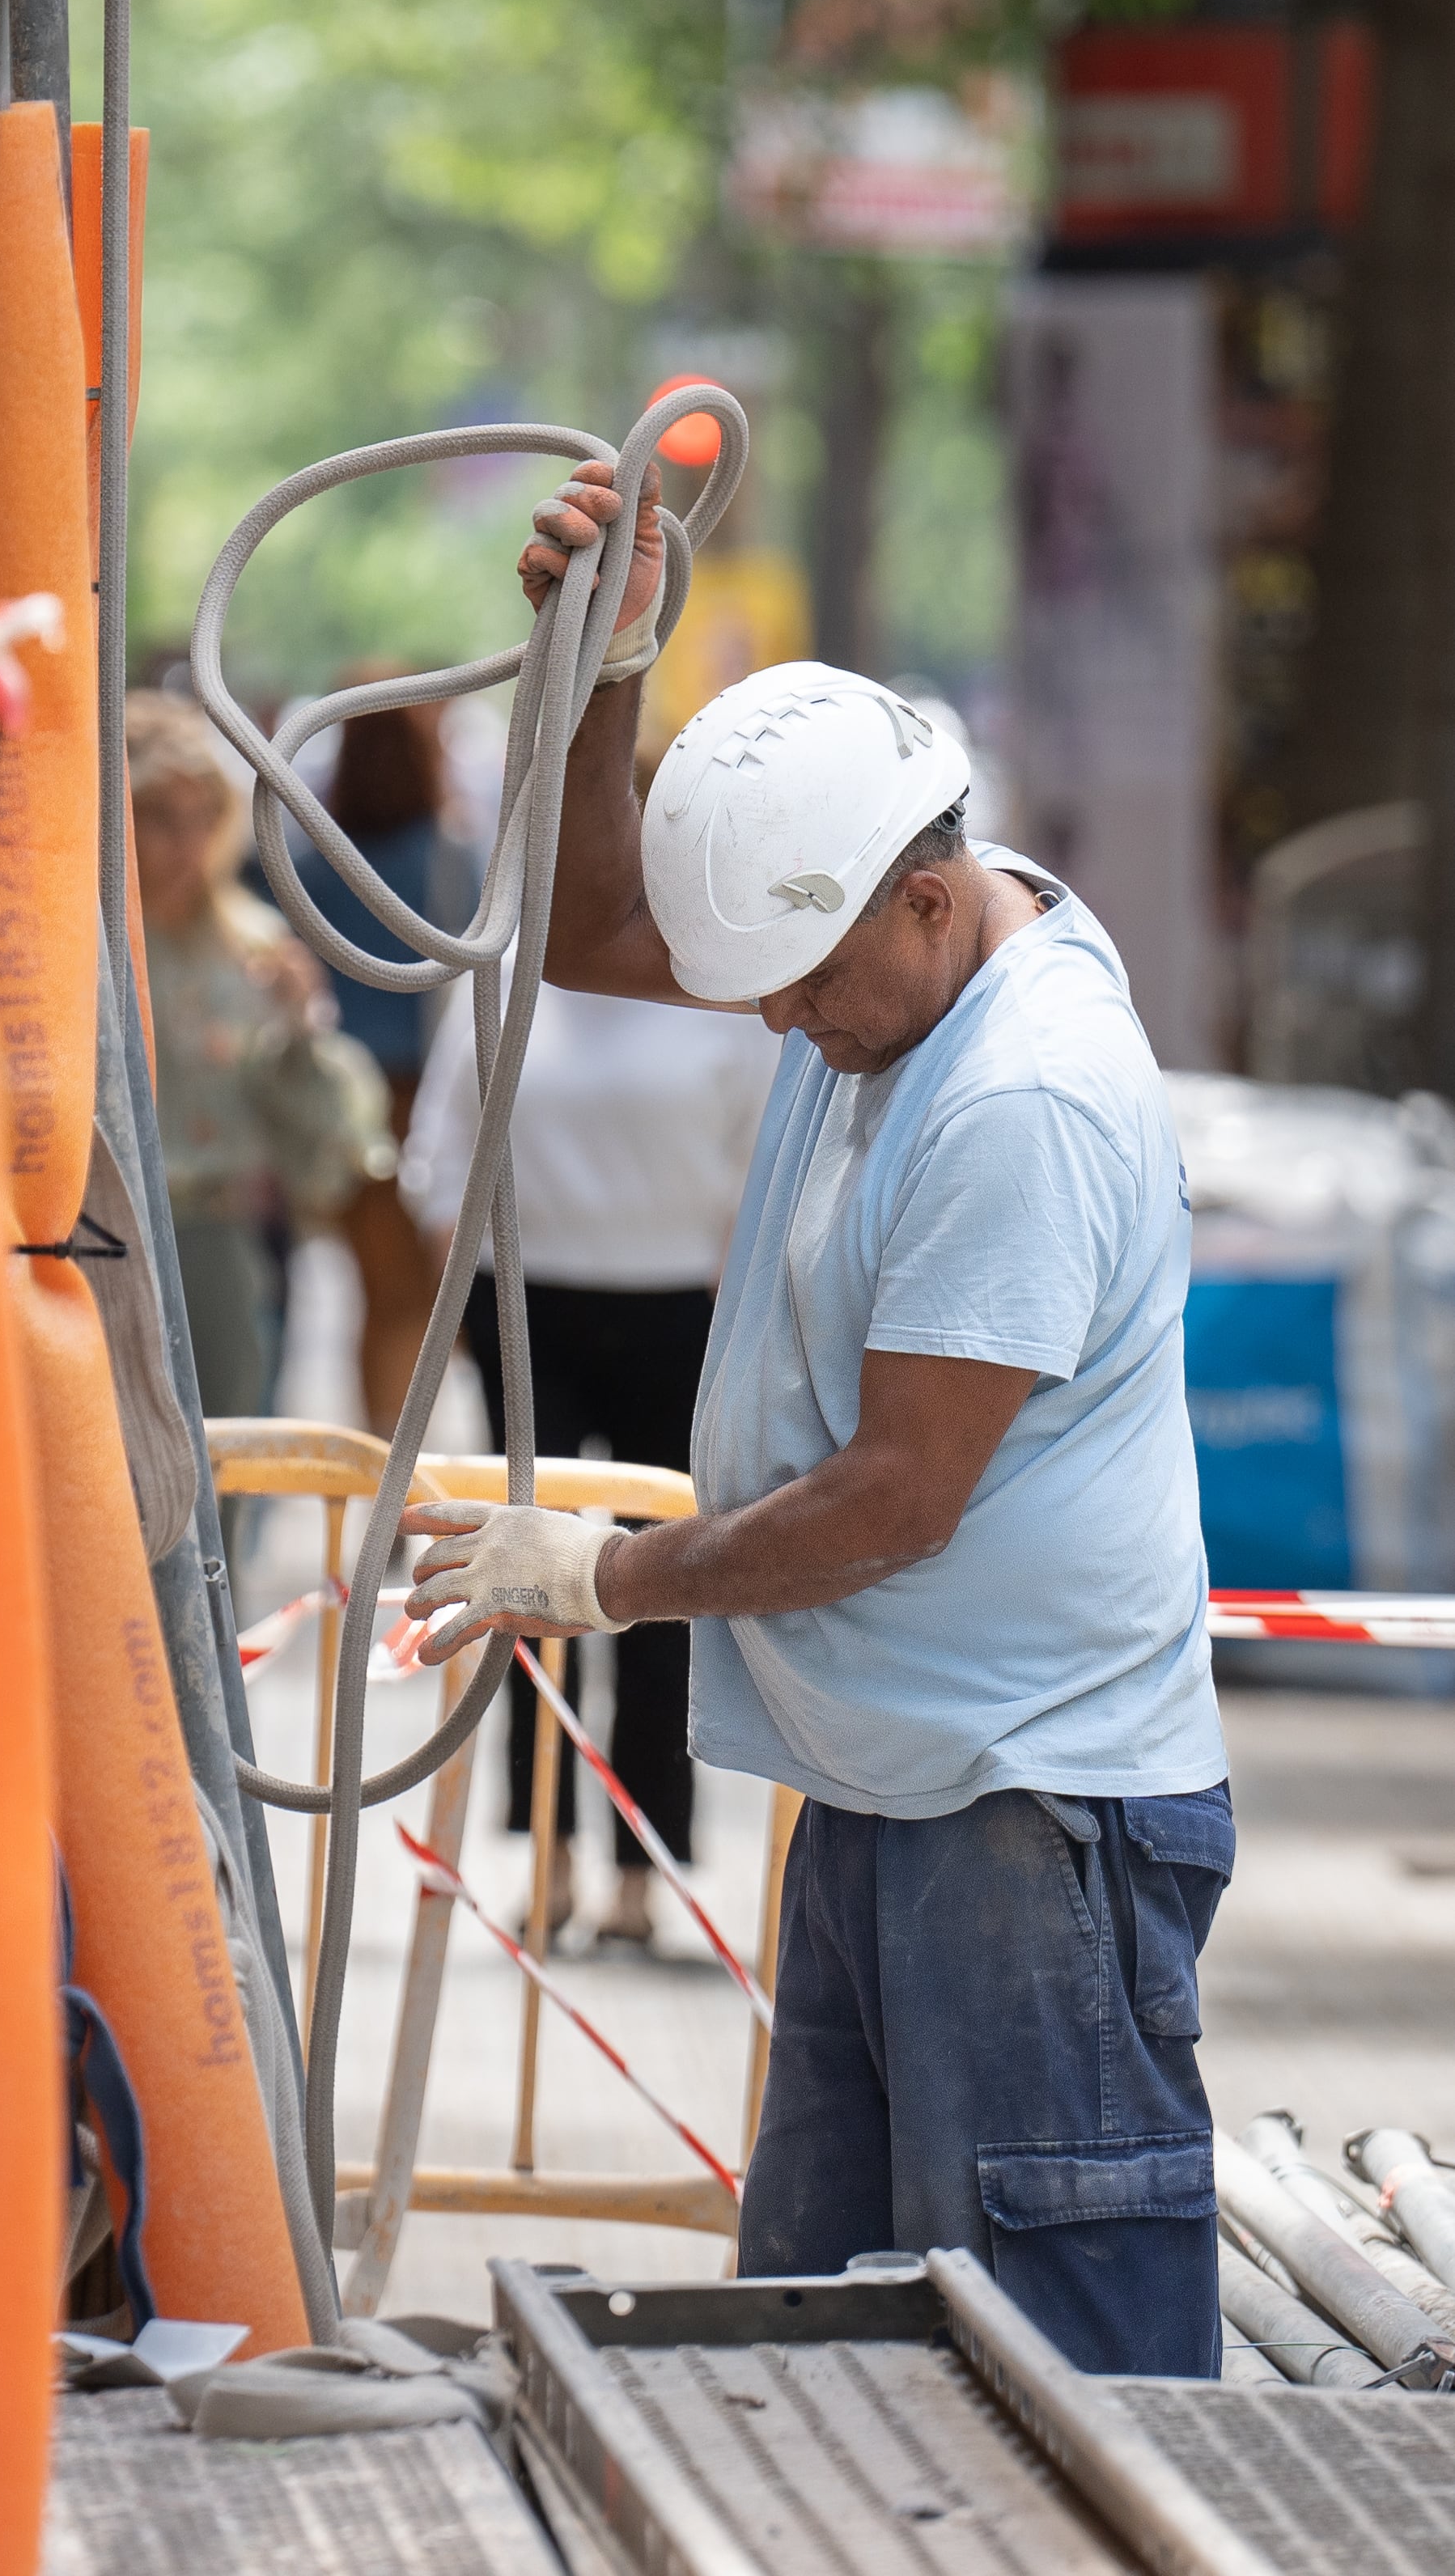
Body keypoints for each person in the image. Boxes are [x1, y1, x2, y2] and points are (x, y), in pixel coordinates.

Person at [403, 460, 1229, 2380]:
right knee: (824, 2354)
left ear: (926, 900)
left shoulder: (1019, 1098)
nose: (768, 1026)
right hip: (899, 1789)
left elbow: (900, 1496)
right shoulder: (899, 969)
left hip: (1032, 1811)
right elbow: (599, 926)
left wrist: (609, 1580)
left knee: (1060, 2369)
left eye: (797, 984)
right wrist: (610, 665)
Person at [399, 963, 776, 1949]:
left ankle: (639, 1869)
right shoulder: (512, 964)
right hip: (527, 1304)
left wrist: (729, 1287)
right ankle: (547, 1854)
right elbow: (437, 1145)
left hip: (675, 1307)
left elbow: (765, 1151)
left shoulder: (710, 984)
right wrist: (465, 1280)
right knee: (522, 1584)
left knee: (663, 1587)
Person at [123, 692, 395, 1424]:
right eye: (158, 818)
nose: (184, 844)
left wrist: (300, 1030)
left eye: (201, 818)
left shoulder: (251, 942)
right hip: (106, 1231)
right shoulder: (90, 936)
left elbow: (323, 1131)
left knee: (225, 1462)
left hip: (217, 1231)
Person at [282, 673, 478, 1436]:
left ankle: (384, 1471)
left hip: (342, 1103)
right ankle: (415, 1475)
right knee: (435, 1298)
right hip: (431, 1096)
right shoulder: (452, 852)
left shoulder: (308, 858)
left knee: (380, 1300)